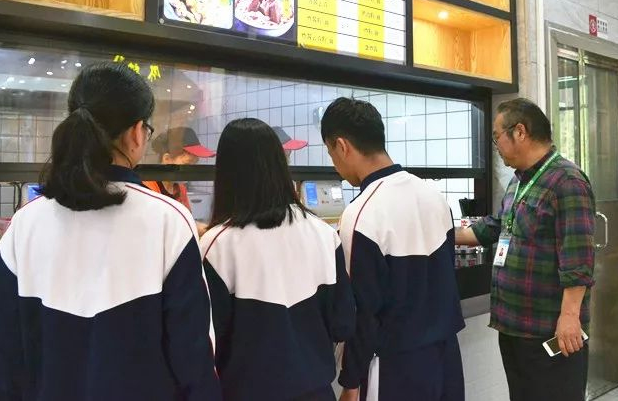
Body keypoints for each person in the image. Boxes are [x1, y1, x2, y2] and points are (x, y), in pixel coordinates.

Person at [0, 62, 221, 401]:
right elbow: (194, 357)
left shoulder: (23, 225)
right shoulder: (168, 220)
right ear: (136, 133)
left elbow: (8, 360)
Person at [199, 118, 356, 401]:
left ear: (226, 173)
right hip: (318, 392)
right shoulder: (323, 233)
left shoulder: (217, 246)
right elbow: (343, 323)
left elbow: (207, 343)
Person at [321, 97, 465, 401]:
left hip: (394, 368)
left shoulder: (361, 214)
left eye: (331, 153)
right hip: (447, 358)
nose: (335, 165)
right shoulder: (435, 197)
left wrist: (351, 381)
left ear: (342, 146)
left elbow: (362, 312)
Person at [456, 98, 595, 401]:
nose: (496, 146)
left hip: (548, 329)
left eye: (497, 137)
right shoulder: (519, 181)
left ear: (519, 132)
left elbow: (578, 259)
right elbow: (495, 226)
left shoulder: (566, 181)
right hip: (515, 327)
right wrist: (444, 235)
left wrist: (569, 317)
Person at [143, 126, 216, 211]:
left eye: (194, 164)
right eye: (187, 164)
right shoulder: (148, 189)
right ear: (167, 159)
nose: (191, 171)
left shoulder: (180, 189)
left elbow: (187, 217)